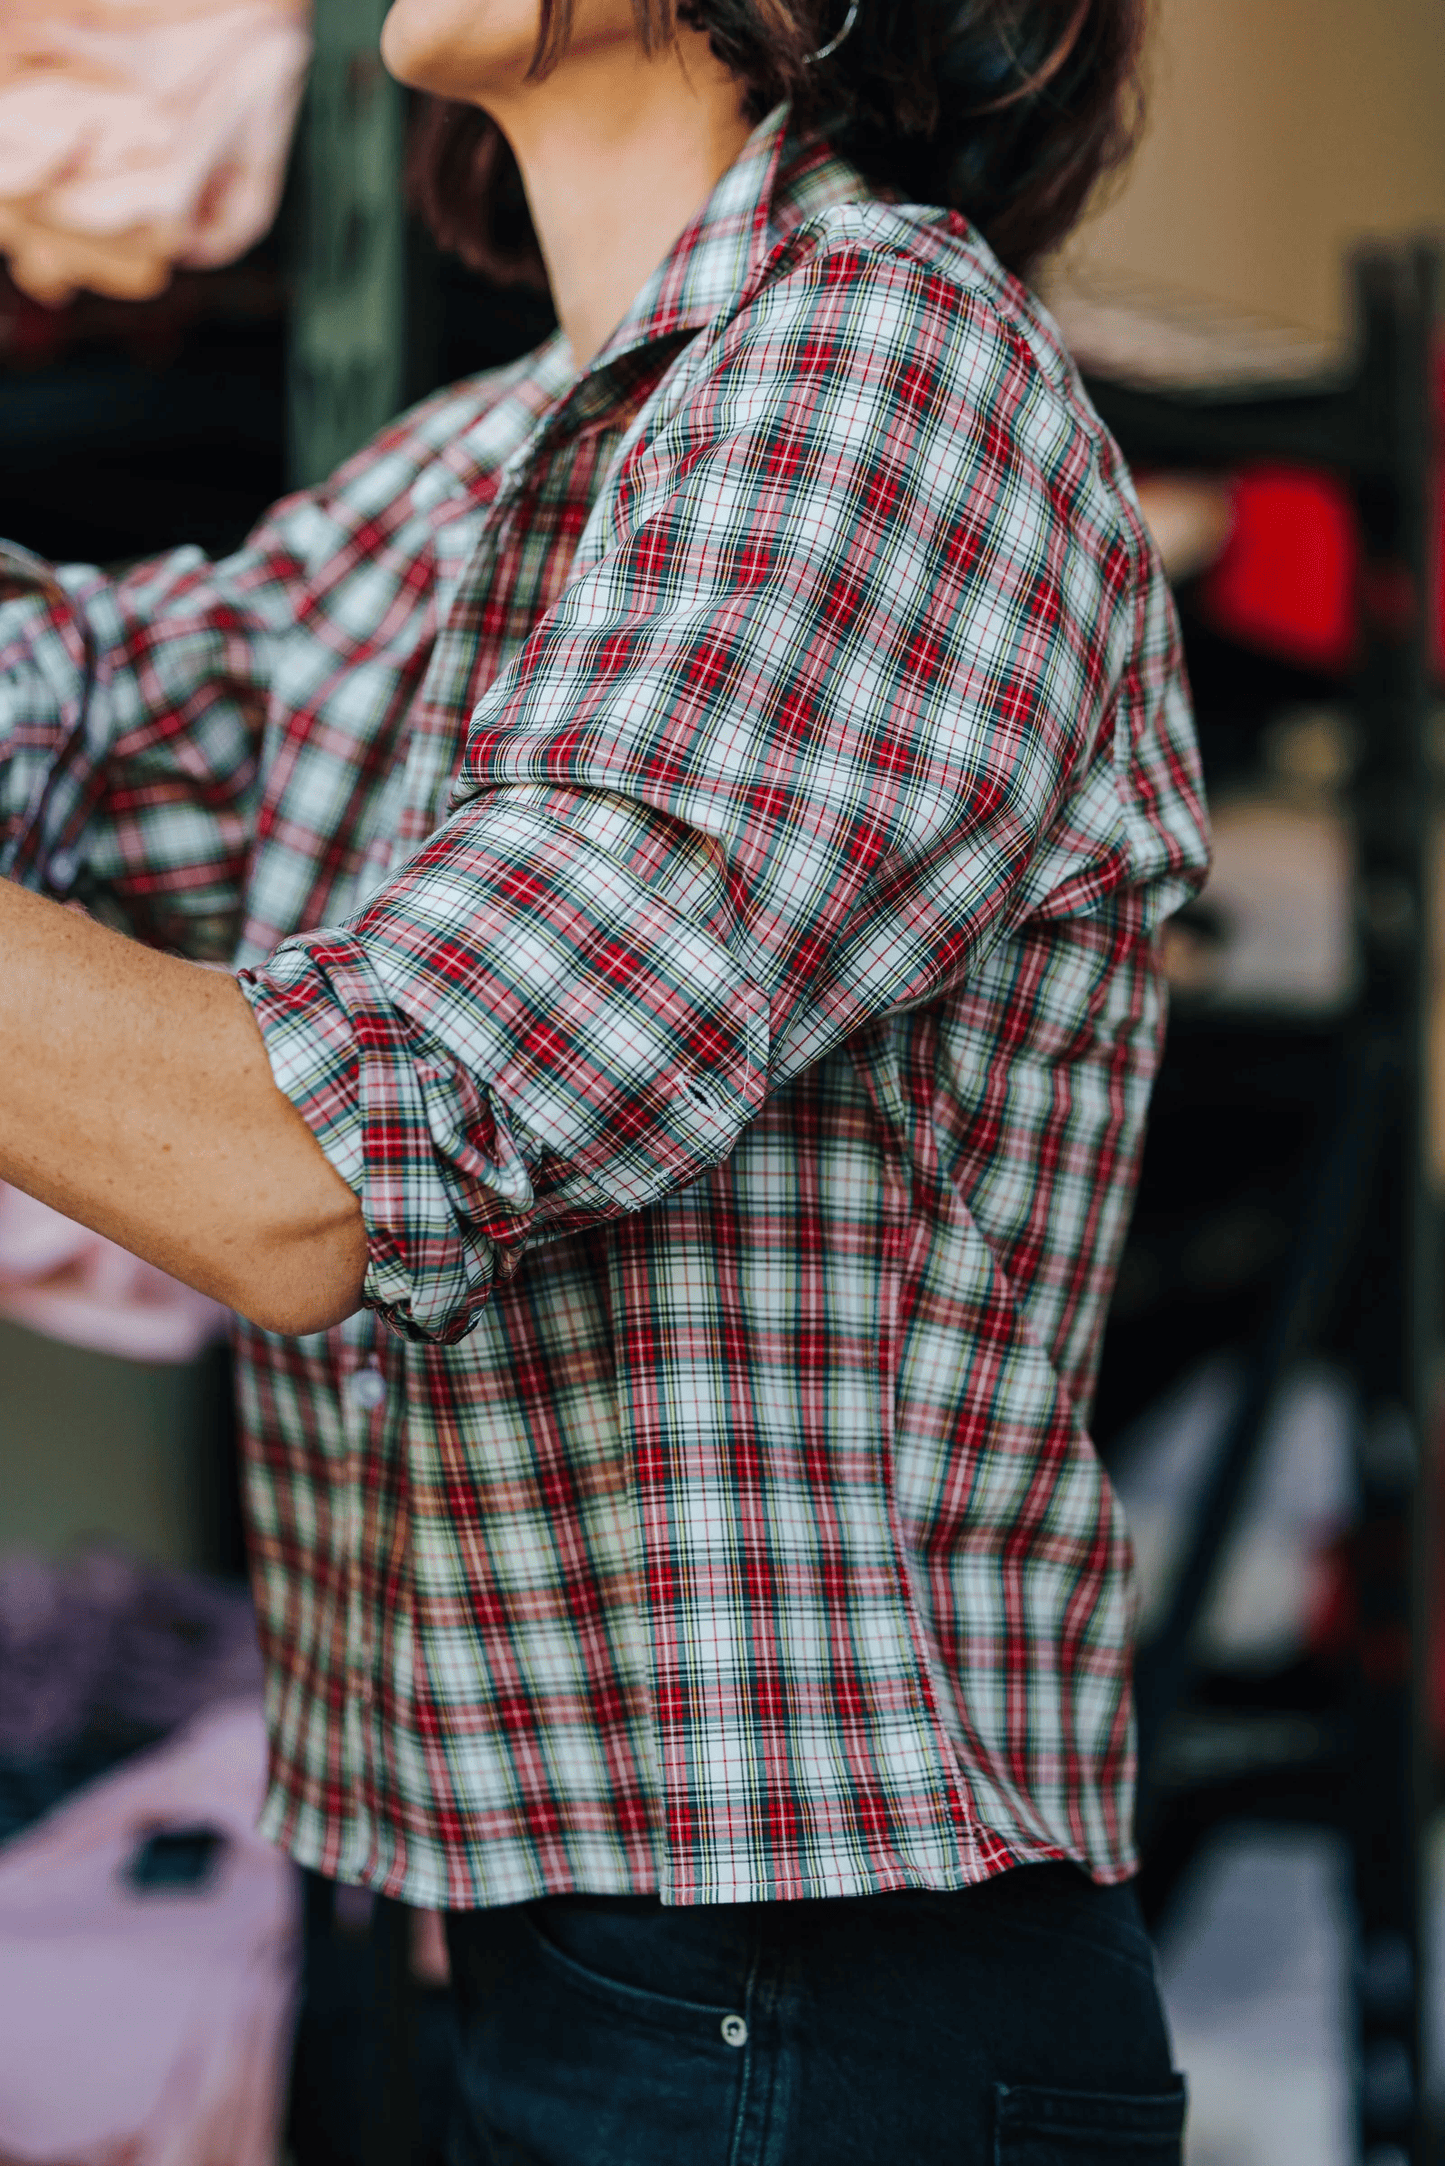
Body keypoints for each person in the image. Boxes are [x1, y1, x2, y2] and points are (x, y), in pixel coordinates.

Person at [0, 0, 1210, 2154]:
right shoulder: (484, 467)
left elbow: (335, 1158)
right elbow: (85, 705)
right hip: (605, 1971)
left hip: (829, 2001)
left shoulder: (889, 374)